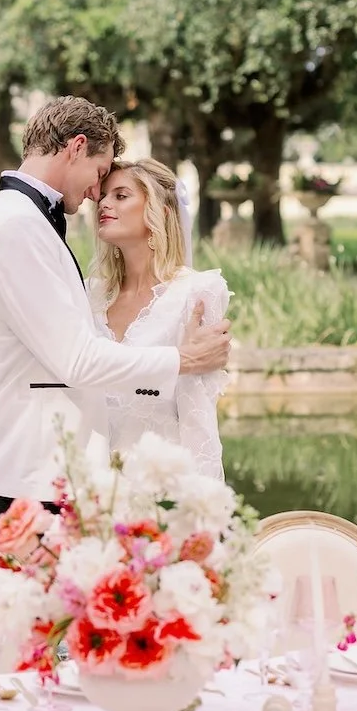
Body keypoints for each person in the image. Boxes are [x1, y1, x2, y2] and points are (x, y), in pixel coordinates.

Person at [0, 96, 231, 527]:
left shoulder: (19, 219)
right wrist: (184, 359)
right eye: (99, 175)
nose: (97, 195)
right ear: (77, 147)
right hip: (13, 472)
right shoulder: (17, 224)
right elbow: (78, 360)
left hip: (48, 477)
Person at [92, 157, 229, 480]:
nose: (104, 204)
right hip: (91, 486)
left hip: (160, 487)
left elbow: (198, 412)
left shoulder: (196, 293)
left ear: (160, 212)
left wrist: (205, 500)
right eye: (103, 196)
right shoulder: (89, 295)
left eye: (121, 196)